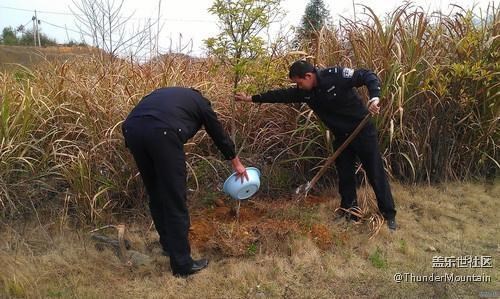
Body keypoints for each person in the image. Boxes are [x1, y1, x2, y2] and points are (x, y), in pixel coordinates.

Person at [235, 60, 397, 230]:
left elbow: (367, 75)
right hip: (342, 136)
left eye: (299, 82)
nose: (298, 87)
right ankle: (350, 212)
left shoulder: (336, 76)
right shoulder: (305, 92)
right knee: (345, 174)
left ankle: (389, 214)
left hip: (362, 131)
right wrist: (251, 99)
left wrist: (374, 99)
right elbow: (281, 95)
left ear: (308, 76)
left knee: (375, 172)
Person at [122, 87, 248, 276]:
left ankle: (168, 246)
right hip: (162, 133)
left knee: (156, 192)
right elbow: (218, 133)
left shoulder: (166, 94)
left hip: (131, 130)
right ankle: (182, 265)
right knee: (175, 198)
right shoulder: (201, 103)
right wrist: (236, 162)